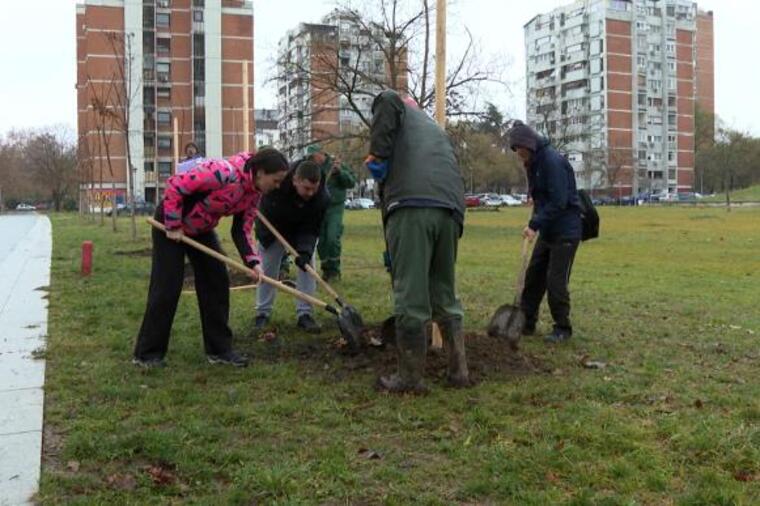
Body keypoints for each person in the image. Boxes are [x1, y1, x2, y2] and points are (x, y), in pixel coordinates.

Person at [132, 147, 290, 368]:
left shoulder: (254, 193)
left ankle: (220, 350)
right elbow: (176, 185)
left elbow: (242, 229)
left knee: (217, 280)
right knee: (167, 285)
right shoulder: (222, 173)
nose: (278, 186)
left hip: (200, 227)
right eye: (276, 180)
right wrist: (173, 224)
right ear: (261, 172)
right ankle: (147, 354)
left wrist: (253, 262)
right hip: (170, 222)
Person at [366, 90, 469, 393]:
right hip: (450, 209)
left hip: (412, 206)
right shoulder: (432, 128)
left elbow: (386, 101)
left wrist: (379, 157)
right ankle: (458, 371)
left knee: (411, 295)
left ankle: (409, 378)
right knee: (443, 291)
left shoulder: (391, 103)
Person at [508, 120, 582, 343]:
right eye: (515, 151)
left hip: (566, 231)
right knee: (533, 277)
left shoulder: (552, 162)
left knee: (555, 282)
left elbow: (559, 201)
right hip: (548, 230)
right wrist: (535, 222)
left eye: (519, 150)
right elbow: (541, 200)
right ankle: (527, 322)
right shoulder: (534, 163)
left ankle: (562, 328)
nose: (518, 155)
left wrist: (535, 224)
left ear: (528, 145)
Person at [253, 159, 330, 333]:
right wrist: (269, 236)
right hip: (272, 226)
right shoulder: (277, 182)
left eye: (314, 188)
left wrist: (304, 250)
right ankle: (262, 314)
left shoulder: (322, 198)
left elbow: (312, 227)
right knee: (267, 269)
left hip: (301, 230)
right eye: (306, 188)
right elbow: (265, 206)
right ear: (295, 180)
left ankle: (305, 314)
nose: (310, 193)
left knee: (308, 267)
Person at [306, 144, 356, 282]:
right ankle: (326, 269)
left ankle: (334, 270)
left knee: (332, 238)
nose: (311, 160)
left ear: (321, 154)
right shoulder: (311, 168)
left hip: (335, 207)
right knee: (322, 241)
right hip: (319, 208)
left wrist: (339, 172)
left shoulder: (336, 164)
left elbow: (351, 182)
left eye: (313, 157)